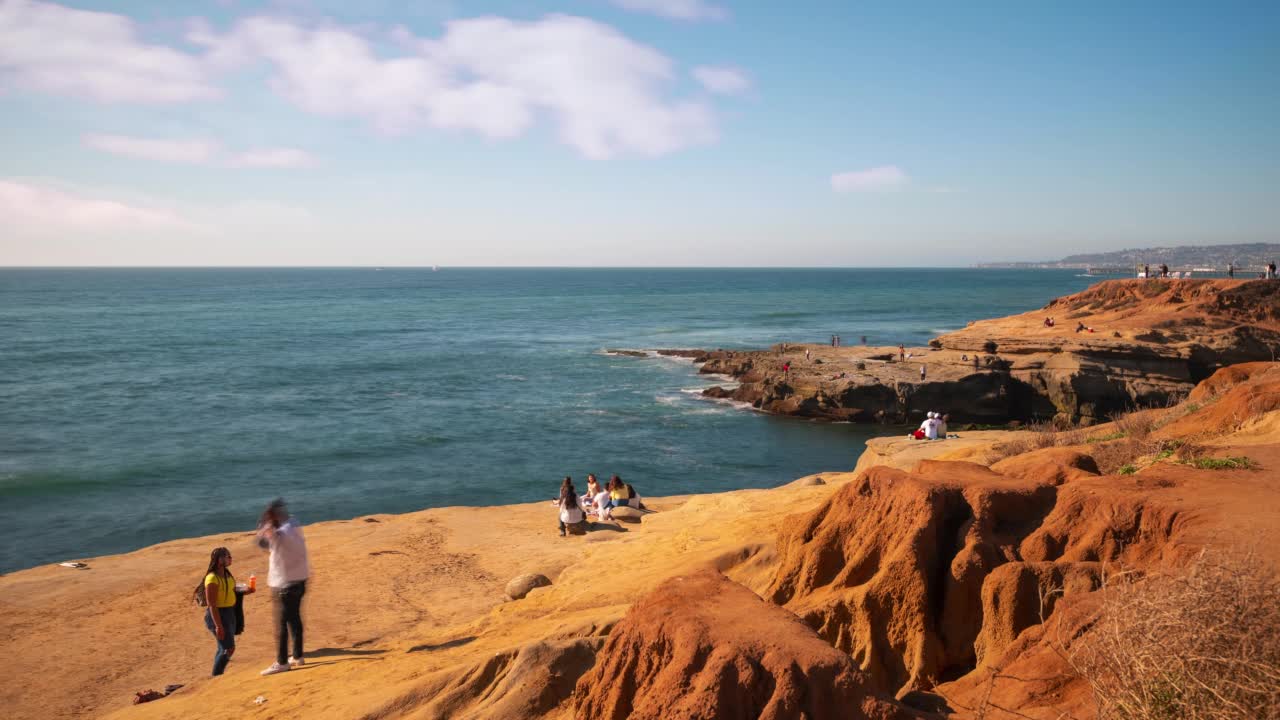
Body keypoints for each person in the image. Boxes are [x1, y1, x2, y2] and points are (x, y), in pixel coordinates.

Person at [257, 498, 311, 676]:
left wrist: (265, 525)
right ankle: (298, 656)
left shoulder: (277, 533)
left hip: (284, 584)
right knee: (295, 619)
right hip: (301, 580)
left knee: (281, 624)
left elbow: (261, 544)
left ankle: (281, 662)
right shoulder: (293, 524)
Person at [194, 546, 249, 676]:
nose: (230, 558)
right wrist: (218, 626)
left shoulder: (227, 574)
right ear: (220, 560)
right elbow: (212, 605)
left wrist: (247, 591)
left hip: (230, 613)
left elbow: (231, 591)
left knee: (222, 647)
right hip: (218, 615)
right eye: (228, 556)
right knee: (228, 648)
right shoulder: (212, 579)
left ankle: (216, 675)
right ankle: (216, 677)